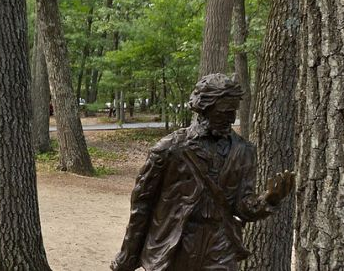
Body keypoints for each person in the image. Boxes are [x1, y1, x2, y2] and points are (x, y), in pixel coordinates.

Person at [111, 73, 294, 271]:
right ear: (204, 108)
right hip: (175, 245)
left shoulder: (244, 152)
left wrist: (269, 199)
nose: (231, 118)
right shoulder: (170, 148)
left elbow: (242, 207)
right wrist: (128, 255)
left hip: (220, 247)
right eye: (224, 112)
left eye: (233, 111)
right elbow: (142, 205)